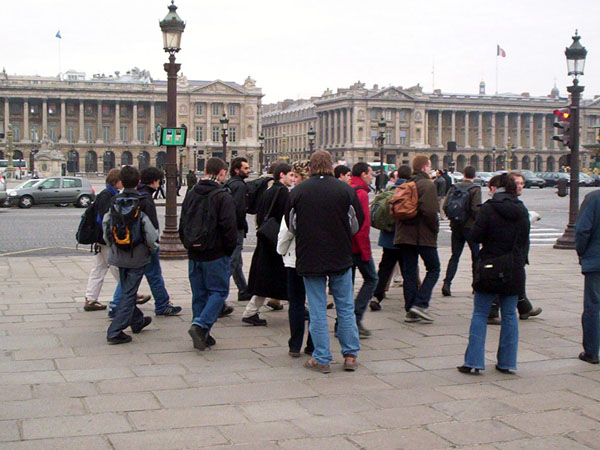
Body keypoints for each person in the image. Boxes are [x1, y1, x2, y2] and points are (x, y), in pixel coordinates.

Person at [286, 150, 364, 373]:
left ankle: (321, 357)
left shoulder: (298, 191)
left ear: (310, 168)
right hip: (340, 254)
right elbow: (356, 224)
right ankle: (350, 355)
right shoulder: (345, 190)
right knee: (345, 306)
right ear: (331, 167)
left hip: (310, 255)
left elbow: (292, 225)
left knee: (317, 308)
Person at [458, 173, 529, 374]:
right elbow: (524, 240)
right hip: (513, 266)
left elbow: (475, 236)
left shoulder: (488, 208)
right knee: (510, 314)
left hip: (490, 265)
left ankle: (473, 361)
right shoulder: (521, 209)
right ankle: (507, 362)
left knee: (480, 313)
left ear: (494, 188)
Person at [109, 167, 182, 318]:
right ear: (154, 181)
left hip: (125, 243)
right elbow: (151, 227)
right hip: (143, 245)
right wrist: (154, 246)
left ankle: (116, 305)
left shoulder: (121, 197)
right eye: (159, 181)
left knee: (127, 277)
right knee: (154, 274)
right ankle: (162, 304)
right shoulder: (145, 199)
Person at [182, 157, 237, 350]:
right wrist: (228, 250)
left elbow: (183, 221)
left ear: (205, 171)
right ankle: (201, 326)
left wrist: (188, 244)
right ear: (222, 172)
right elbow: (229, 227)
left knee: (199, 294)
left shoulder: (191, 193)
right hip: (215, 252)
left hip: (194, 252)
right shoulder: (222, 196)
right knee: (219, 291)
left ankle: (202, 334)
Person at [103, 165, 158, 344]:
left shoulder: (115, 200)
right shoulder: (142, 201)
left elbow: (106, 224)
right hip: (137, 254)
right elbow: (151, 231)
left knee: (127, 288)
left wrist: (112, 245)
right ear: (138, 181)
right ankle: (115, 331)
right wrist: (152, 249)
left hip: (119, 253)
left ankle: (137, 320)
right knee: (129, 293)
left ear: (121, 181)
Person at [84, 169, 145, 311]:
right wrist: (111, 237)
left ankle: (90, 299)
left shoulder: (106, 194)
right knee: (118, 269)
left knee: (99, 269)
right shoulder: (108, 196)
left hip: (100, 239)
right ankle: (129, 294)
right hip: (105, 240)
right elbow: (105, 219)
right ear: (116, 181)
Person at [242, 163, 293, 326]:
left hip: (266, 238)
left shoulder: (269, 191)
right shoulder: (283, 193)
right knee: (277, 278)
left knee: (268, 278)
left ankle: (253, 310)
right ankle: (251, 312)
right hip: (276, 241)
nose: (292, 179)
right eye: (290, 175)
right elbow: (286, 219)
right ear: (282, 175)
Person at [395, 155, 440, 323]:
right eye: (429, 166)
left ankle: (410, 309)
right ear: (424, 168)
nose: (430, 169)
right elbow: (430, 211)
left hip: (404, 235)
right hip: (422, 235)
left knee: (409, 272)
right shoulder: (427, 184)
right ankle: (420, 304)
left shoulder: (406, 183)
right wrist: (434, 229)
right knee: (434, 268)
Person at [277, 159, 314, 357]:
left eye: (295, 176)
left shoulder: (295, 196)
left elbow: (287, 230)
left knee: (297, 302)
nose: (293, 179)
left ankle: (294, 345)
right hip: (317, 258)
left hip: (295, 257)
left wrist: (281, 250)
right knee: (315, 302)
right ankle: (313, 344)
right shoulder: (322, 195)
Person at [370, 164, 412, 311]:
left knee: (385, 267)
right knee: (408, 269)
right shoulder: (409, 191)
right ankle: (411, 302)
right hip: (404, 237)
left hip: (388, 237)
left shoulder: (390, 190)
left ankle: (377, 296)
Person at [441, 165, 481, 297]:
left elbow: (445, 206)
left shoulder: (454, 187)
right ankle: (476, 285)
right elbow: (475, 209)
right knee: (475, 256)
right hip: (470, 227)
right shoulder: (475, 189)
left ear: (463, 174)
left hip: (456, 226)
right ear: (474, 176)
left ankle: (447, 283)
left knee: (455, 256)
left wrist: (453, 218)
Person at [349, 162, 378, 337]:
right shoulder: (361, 194)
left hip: (346, 246)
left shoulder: (347, 188)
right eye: (370, 173)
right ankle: (355, 318)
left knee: (348, 285)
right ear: (363, 174)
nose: (372, 177)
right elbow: (362, 226)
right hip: (357, 247)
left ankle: (342, 323)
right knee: (371, 279)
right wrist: (365, 252)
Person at [575, 187, 600, 364]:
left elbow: (582, 230)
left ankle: (592, 351)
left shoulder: (593, 199)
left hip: (596, 260)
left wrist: (583, 252)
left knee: (593, 306)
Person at [225, 157, 252, 302]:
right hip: (236, 227)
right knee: (232, 261)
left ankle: (243, 290)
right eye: (246, 168)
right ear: (237, 170)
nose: (249, 170)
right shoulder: (240, 186)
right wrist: (241, 226)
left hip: (230, 226)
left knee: (237, 262)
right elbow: (239, 209)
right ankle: (218, 293)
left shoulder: (230, 183)